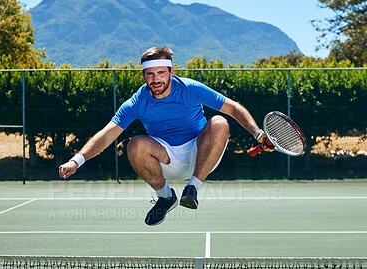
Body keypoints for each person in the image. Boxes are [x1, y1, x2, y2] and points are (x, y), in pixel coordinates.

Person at [59, 46, 273, 226]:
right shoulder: (137, 102)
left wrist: (258, 134)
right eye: (150, 74)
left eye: (161, 73)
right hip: (166, 159)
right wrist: (77, 161)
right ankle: (165, 197)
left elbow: (234, 108)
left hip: (203, 154)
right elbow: (107, 135)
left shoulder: (190, 89)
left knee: (219, 122)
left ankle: (193, 188)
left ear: (171, 72)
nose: (156, 79)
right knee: (135, 144)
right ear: (143, 75)